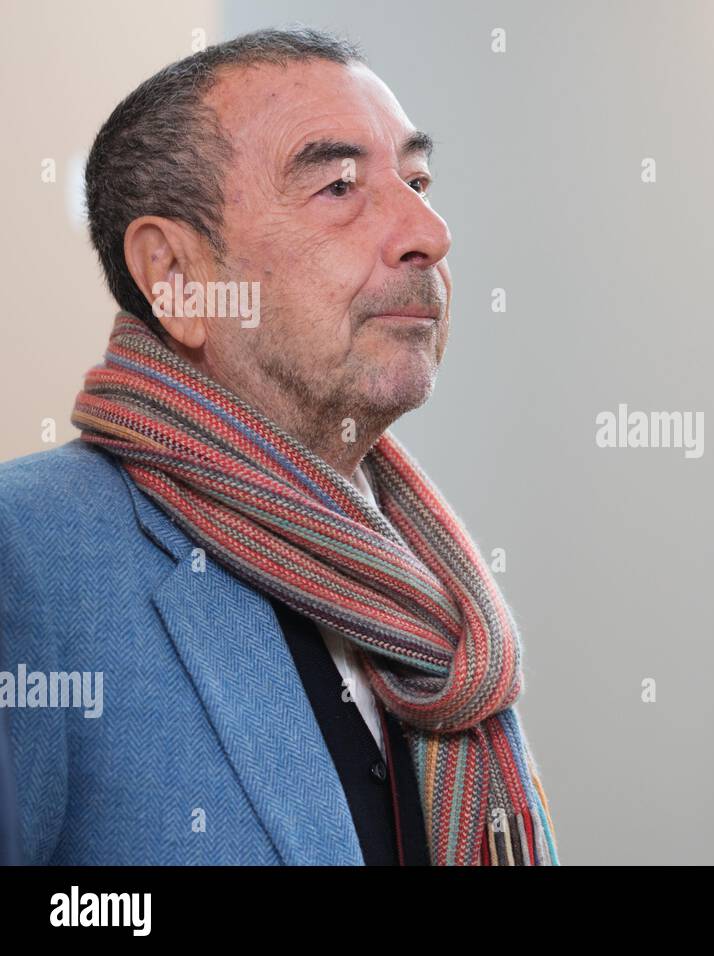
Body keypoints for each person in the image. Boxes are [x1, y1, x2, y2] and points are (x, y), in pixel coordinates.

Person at [0, 26, 558, 866]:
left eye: (416, 179)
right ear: (175, 277)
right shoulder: (28, 557)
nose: (428, 231)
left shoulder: (433, 596)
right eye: (339, 185)